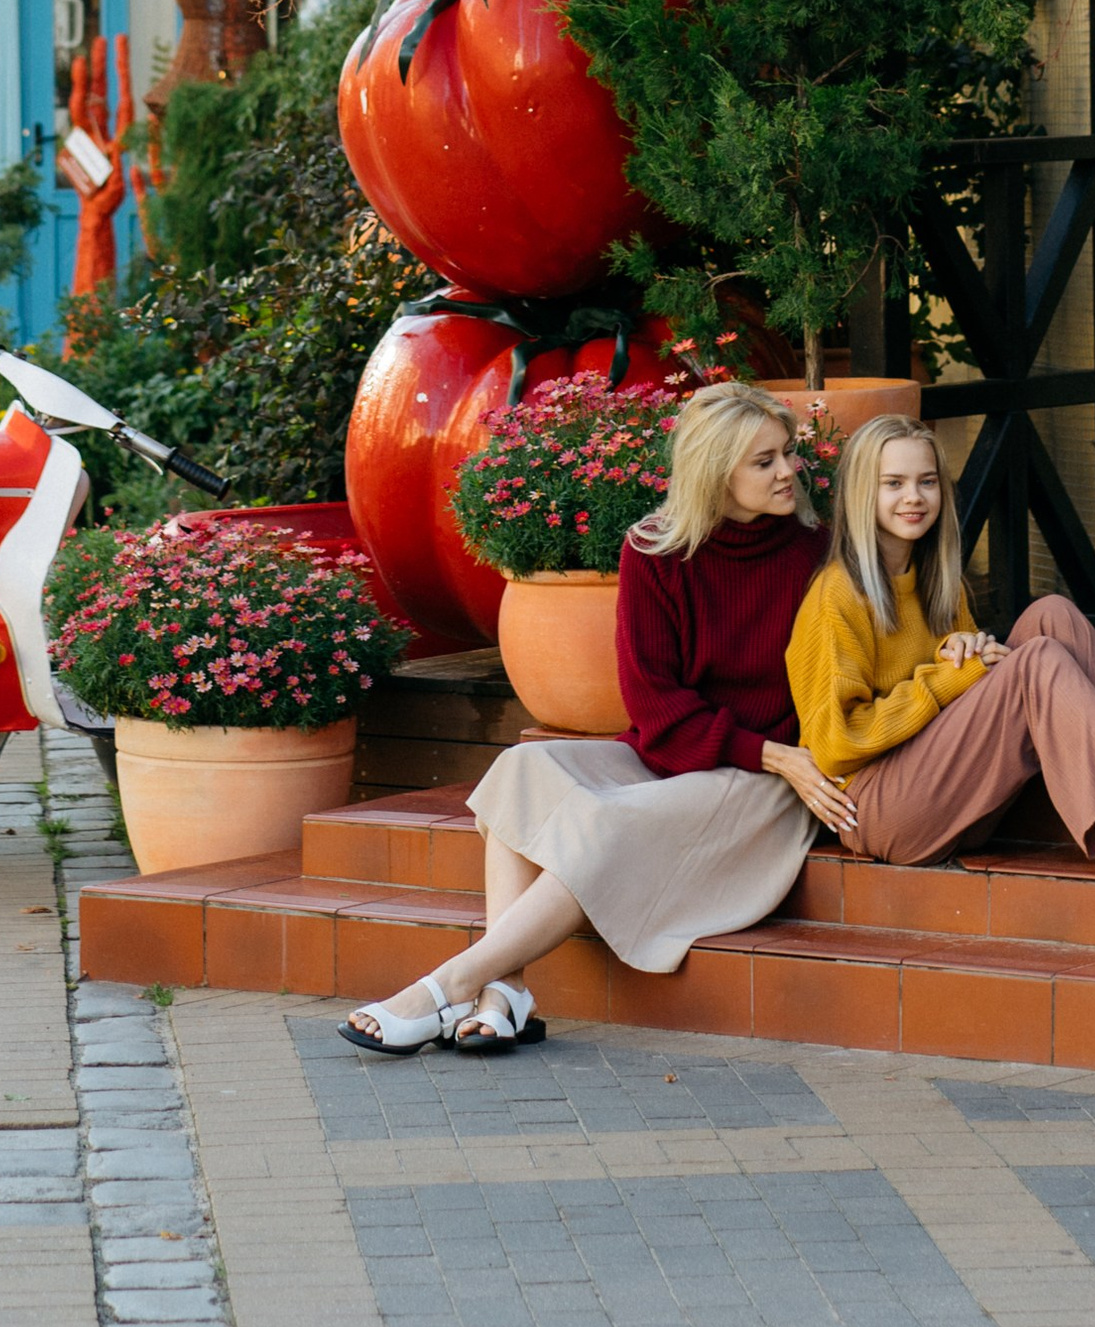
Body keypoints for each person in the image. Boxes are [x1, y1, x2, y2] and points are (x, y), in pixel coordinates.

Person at [341, 380, 854, 1055]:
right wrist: (761, 750)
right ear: (714, 471)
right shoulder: (654, 551)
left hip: (767, 782)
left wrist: (779, 756)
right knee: (522, 769)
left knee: (609, 821)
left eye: (787, 453)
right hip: (685, 753)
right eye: (765, 461)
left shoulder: (815, 554)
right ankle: (507, 991)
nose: (789, 470)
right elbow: (654, 704)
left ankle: (449, 985)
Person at [785, 415, 1095, 884]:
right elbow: (835, 743)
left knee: (1054, 615)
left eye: (927, 481)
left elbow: (958, 686)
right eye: (893, 483)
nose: (914, 497)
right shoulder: (837, 595)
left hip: (943, 790)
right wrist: (946, 678)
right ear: (860, 493)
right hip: (879, 811)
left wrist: (960, 653)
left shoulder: (937, 580)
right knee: (1037, 662)